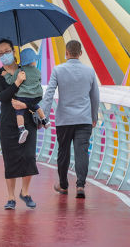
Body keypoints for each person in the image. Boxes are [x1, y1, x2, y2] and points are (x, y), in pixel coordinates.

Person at [40, 40, 100, 199]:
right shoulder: (90, 72)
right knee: (82, 152)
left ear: (66, 53)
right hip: (84, 119)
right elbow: (95, 98)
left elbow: (49, 95)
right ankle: (80, 185)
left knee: (63, 152)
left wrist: (43, 117)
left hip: (64, 119)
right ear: (80, 53)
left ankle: (63, 185)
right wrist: (94, 117)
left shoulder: (58, 70)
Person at [0, 39, 38, 210]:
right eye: (1, 53)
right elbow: (2, 96)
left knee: (29, 157)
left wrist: (26, 105)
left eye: (7, 51)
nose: (5, 55)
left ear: (14, 51)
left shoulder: (27, 70)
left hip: (28, 120)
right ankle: (11, 196)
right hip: (8, 122)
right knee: (10, 159)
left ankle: (25, 192)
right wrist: (17, 82)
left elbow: (37, 95)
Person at [4, 48, 49, 144]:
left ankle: (21, 129)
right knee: (37, 107)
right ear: (33, 61)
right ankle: (44, 120)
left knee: (19, 113)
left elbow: (11, 81)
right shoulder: (37, 71)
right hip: (36, 96)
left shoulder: (20, 71)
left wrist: (6, 75)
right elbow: (39, 81)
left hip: (22, 96)